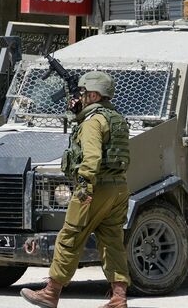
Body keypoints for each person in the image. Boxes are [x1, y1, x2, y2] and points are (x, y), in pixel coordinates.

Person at [21, 71, 131, 308]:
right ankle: (119, 298)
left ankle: (51, 292)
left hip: (95, 188)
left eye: (83, 93)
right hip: (118, 189)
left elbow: (92, 157)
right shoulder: (116, 118)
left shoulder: (93, 122)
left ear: (94, 95)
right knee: (112, 242)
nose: (79, 97)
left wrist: (85, 187)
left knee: (69, 237)